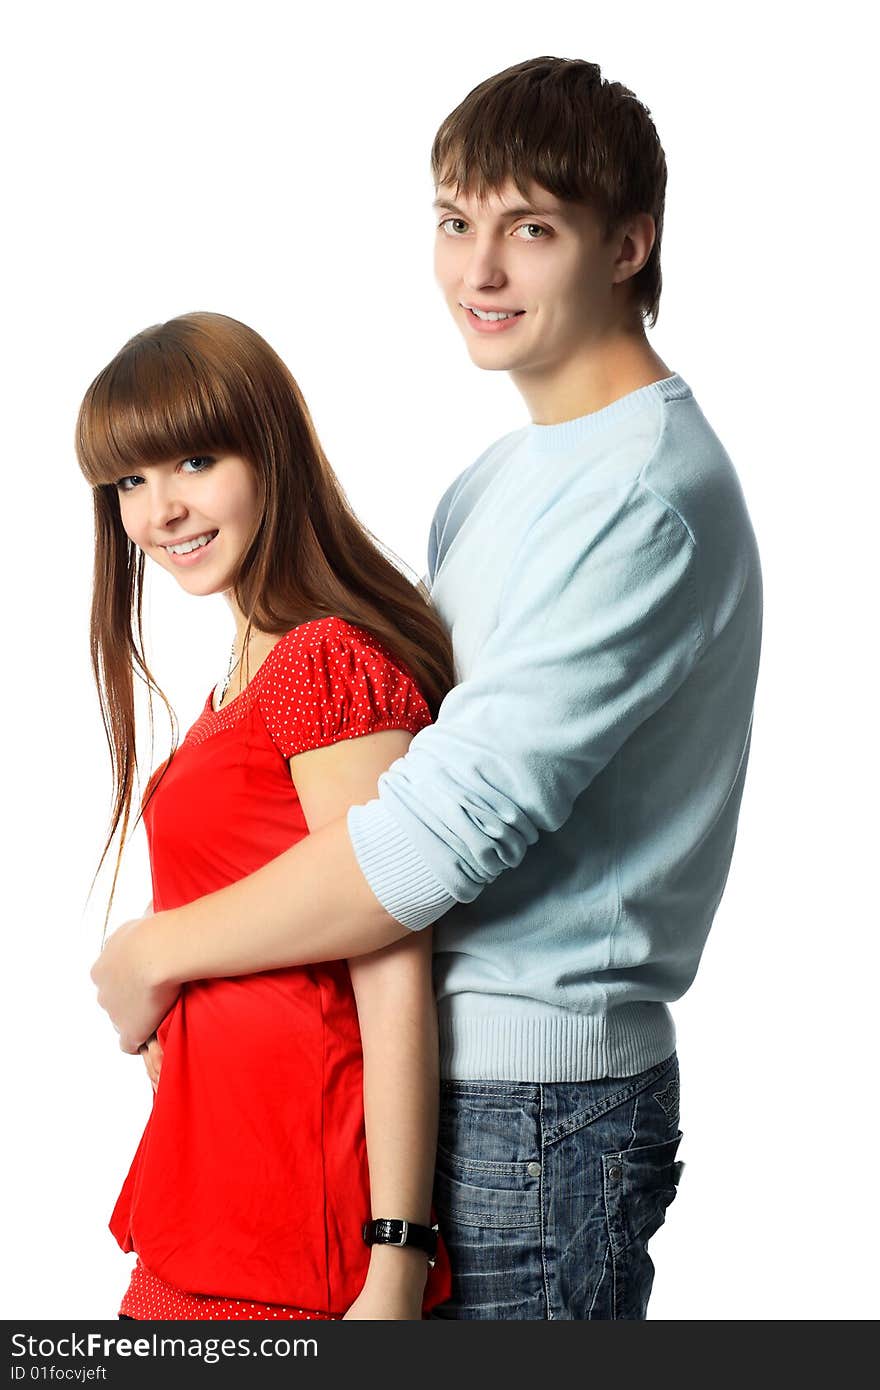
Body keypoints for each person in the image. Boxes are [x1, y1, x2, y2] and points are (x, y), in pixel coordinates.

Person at [91, 58, 763, 1319]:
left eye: (529, 229)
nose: (479, 271)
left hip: (541, 1109)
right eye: (456, 223)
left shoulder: (643, 495)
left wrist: (158, 953)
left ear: (629, 245)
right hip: (449, 1093)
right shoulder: (501, 480)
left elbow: (429, 836)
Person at [77, 310, 454, 1320]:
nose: (160, 511)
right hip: (207, 1207)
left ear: (270, 454)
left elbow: (391, 958)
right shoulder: (234, 688)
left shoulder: (324, 659)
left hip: (298, 1240)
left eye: (195, 460)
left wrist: (396, 1262)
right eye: (129, 481)